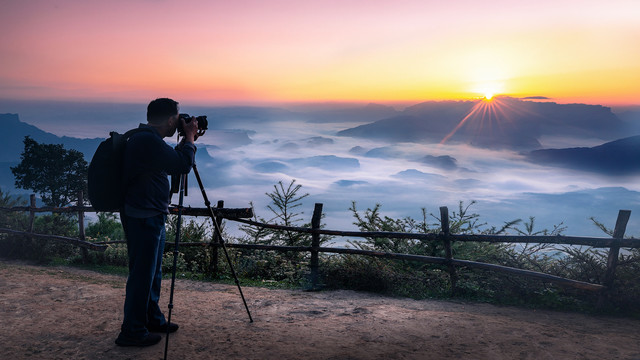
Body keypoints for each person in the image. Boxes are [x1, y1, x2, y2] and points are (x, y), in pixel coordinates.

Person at [115, 98, 199, 347]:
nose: (181, 122)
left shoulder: (148, 139)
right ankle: (132, 331)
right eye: (179, 118)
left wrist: (185, 141)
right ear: (172, 119)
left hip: (149, 214)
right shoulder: (148, 140)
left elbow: (170, 163)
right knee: (142, 275)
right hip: (145, 217)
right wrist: (191, 139)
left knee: (152, 273)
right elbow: (182, 165)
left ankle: (152, 319)